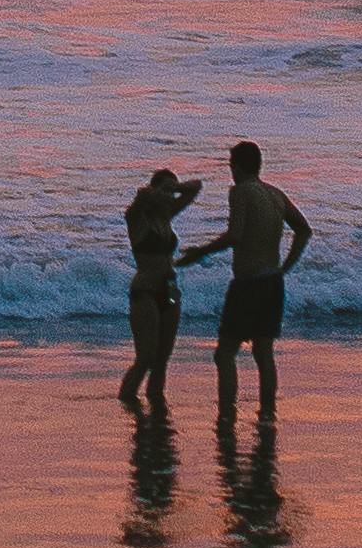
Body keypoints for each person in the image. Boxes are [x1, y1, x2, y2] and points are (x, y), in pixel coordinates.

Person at [206, 138, 312, 401]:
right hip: (272, 282)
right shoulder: (275, 194)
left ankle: (226, 414)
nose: (231, 171)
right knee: (263, 354)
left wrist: (200, 251)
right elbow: (304, 230)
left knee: (225, 353)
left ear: (238, 167)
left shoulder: (240, 191)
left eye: (231, 165)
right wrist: (285, 267)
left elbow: (235, 236)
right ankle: (267, 413)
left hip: (248, 284)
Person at [109, 165, 209, 409]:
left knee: (163, 359)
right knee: (145, 358)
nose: (170, 198)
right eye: (165, 192)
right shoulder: (138, 218)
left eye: (172, 193)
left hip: (170, 293)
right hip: (145, 292)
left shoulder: (167, 216)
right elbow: (141, 195)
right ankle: (127, 405)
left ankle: (156, 406)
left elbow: (196, 186)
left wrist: (171, 190)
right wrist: (161, 190)